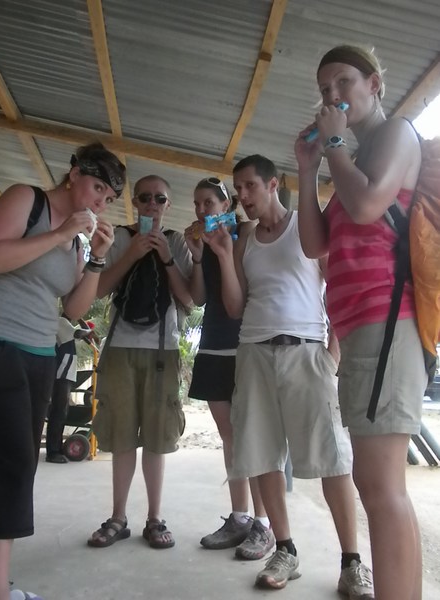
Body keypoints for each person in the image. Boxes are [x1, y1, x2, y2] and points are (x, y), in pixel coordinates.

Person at [205, 154, 373, 597]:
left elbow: (337, 287)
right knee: (262, 455)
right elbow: (235, 306)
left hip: (307, 351)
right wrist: (223, 254)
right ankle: (285, 549)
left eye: (249, 186)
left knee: (332, 458)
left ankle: (352, 562)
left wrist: (332, 354)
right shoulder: (244, 240)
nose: (242, 196)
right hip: (254, 354)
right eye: (238, 189)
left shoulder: (306, 226)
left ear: (273, 184)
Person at [295, 45, 426, 600]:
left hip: (387, 319)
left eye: (344, 82)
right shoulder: (351, 156)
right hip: (360, 328)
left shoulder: (395, 133)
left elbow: (370, 204)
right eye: (325, 89)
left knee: (379, 487)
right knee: (379, 486)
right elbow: (314, 243)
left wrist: (333, 146)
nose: (333, 96)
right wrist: (308, 170)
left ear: (374, 83)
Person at [0, 141, 124, 600]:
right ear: (74, 173)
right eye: (97, 188)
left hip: (39, 354)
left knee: (17, 468)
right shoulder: (26, 200)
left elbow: (74, 308)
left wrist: (97, 257)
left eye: (109, 198)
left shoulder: (76, 241)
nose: (100, 202)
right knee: (9, 465)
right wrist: (57, 233)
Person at [88, 174, 192, 550]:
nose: (152, 204)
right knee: (120, 436)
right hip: (120, 347)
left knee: (157, 437)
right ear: (134, 201)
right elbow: (99, 290)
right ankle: (118, 517)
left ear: (168, 204)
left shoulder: (177, 242)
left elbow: (190, 299)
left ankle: (154, 517)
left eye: (159, 199)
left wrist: (166, 256)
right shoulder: (118, 237)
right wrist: (131, 253)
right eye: (145, 197)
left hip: (163, 348)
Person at [184, 178, 273, 560]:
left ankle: (264, 524)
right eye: (197, 203)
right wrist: (197, 255)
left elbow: (252, 290)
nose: (202, 210)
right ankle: (239, 518)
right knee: (230, 437)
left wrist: (228, 244)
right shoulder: (204, 243)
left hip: (247, 344)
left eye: (209, 202)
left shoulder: (248, 234)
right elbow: (198, 298)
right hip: (213, 345)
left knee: (254, 435)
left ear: (227, 203)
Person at [45, 315, 78, 464]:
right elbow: (78, 333)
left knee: (60, 413)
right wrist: (87, 331)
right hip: (61, 375)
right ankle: (53, 451)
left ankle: (56, 448)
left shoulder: (66, 325)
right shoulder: (62, 322)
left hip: (65, 374)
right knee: (58, 413)